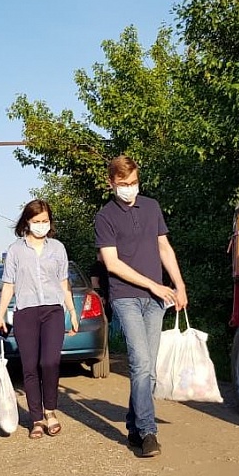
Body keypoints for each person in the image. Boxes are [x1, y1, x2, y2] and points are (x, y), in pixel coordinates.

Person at [94, 155, 187, 457]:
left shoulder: (152, 207)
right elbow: (111, 262)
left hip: (157, 299)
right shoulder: (105, 217)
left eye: (133, 183)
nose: (129, 189)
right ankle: (148, 433)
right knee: (141, 364)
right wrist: (152, 284)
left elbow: (164, 247)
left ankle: (134, 427)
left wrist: (179, 285)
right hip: (126, 296)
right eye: (123, 184)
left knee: (150, 372)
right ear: (111, 184)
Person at [0, 199, 79, 439]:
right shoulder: (15, 250)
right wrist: (1, 315)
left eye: (45, 221)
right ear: (27, 222)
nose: (41, 225)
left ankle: (50, 411)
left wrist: (72, 312)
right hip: (26, 313)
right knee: (30, 366)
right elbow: (9, 284)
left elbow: (64, 282)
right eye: (36, 221)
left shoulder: (58, 248)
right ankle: (36, 419)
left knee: (50, 362)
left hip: (53, 311)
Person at [88, 254, 118, 339]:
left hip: (110, 295)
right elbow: (94, 283)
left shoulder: (106, 266)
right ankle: (111, 338)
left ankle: (113, 338)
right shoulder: (96, 267)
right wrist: (100, 296)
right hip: (103, 297)